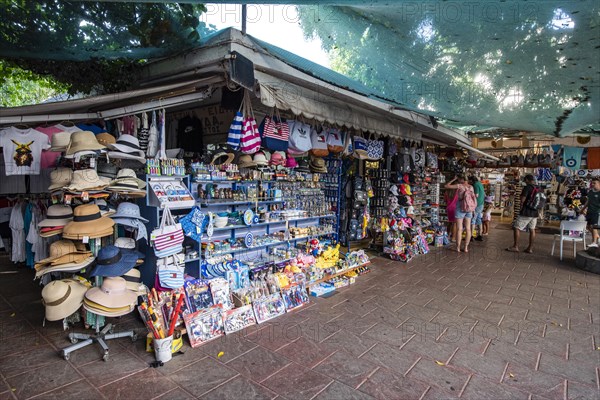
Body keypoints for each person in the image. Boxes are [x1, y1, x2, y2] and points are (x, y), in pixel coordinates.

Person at [506, 174, 539, 254]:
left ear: (527, 180)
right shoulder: (537, 188)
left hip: (526, 212)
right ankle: (530, 248)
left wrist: (521, 198)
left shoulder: (527, 187)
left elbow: (522, 199)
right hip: (534, 212)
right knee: (532, 229)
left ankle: (515, 246)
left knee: (516, 227)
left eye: (525, 180)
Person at [445, 175, 473, 252]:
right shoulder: (471, 187)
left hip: (460, 208)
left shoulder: (459, 186)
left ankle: (458, 247)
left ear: (461, 179)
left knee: (459, 229)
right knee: (468, 229)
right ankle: (466, 247)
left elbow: (446, 186)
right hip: (469, 209)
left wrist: (453, 179)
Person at [581, 177, 600, 247]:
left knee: (594, 226)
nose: (593, 184)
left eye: (595, 183)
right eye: (592, 183)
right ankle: (597, 236)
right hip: (589, 211)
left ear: (599, 184)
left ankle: (594, 242)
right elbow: (588, 201)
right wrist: (582, 209)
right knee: (588, 226)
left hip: (596, 212)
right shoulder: (591, 192)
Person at [469, 175, 485, 241]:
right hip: (481, 204)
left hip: (477, 205)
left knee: (473, 219)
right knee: (479, 219)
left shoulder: (475, 185)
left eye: (469, 180)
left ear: (471, 180)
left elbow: (476, 195)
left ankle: (471, 236)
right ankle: (480, 235)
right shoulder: (480, 184)